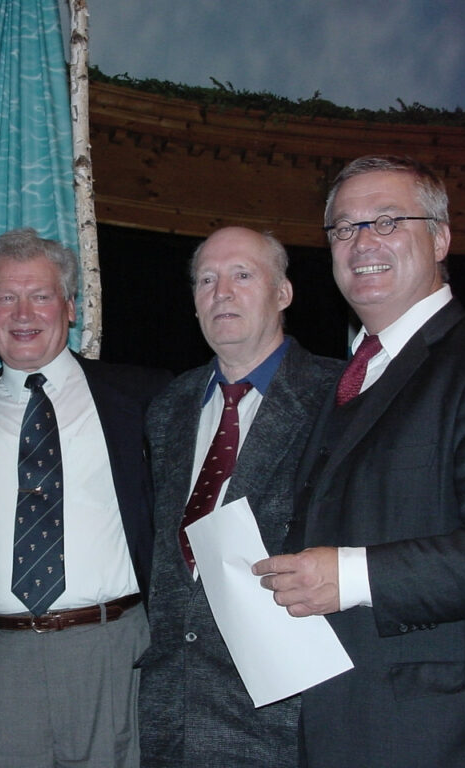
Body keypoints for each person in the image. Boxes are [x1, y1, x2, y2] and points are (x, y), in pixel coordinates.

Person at [254, 156, 465, 767]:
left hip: (457, 734)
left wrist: (349, 575)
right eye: (344, 228)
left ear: (441, 239)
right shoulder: (346, 379)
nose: (362, 243)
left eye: (387, 221)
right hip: (344, 726)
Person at [0, 227, 170, 768]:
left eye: (41, 295)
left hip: (115, 652)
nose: (23, 313)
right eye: (6, 297)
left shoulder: (144, 399)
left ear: (69, 307)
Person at [136, 226, 341, 767]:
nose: (221, 292)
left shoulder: (340, 398)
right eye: (207, 279)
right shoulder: (168, 408)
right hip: (170, 718)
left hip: (291, 721)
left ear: (283, 292)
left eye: (242, 275)